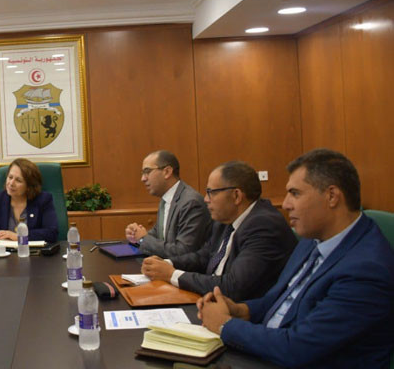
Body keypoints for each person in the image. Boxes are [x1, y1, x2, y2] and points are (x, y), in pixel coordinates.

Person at [198, 149, 394, 368]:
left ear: (331, 196)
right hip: (269, 350)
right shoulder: (313, 239)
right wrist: (241, 310)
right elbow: (278, 300)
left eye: (295, 193)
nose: (286, 204)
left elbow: (298, 348)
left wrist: (225, 325)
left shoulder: (366, 270)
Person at [141, 161, 296, 300]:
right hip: (212, 298)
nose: (206, 199)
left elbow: (233, 287)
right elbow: (204, 257)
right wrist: (166, 263)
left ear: (236, 196)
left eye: (211, 192)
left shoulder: (264, 226)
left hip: (241, 311)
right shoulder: (225, 219)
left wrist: (171, 274)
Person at [125, 150, 211, 258]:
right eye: (142, 173)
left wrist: (143, 239)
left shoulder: (191, 203)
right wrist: (136, 235)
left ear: (167, 172)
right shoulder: (166, 199)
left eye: (147, 171)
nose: (143, 178)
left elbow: (183, 252)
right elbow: (159, 235)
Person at [0, 158, 58, 252]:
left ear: (29, 186)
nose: (11, 183)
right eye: (10, 177)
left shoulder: (43, 200)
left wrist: (19, 236)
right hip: (3, 255)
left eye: (18, 180)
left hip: (34, 255)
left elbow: (51, 233)